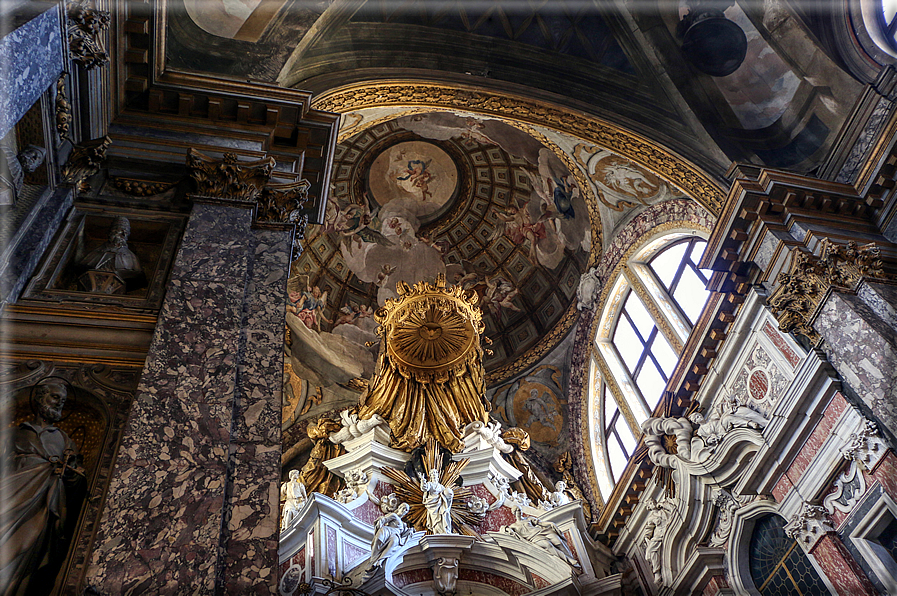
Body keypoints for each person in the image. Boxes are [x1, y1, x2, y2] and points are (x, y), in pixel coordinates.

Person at [0, 381, 85, 596]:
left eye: (63, 401)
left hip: (43, 507)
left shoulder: (65, 440)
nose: (59, 403)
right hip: (9, 498)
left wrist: (69, 474)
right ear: (39, 398)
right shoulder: (13, 434)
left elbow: (76, 483)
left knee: (27, 553)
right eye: (55, 397)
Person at [77, 216, 144, 292]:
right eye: (116, 231)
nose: (120, 235)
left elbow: (135, 274)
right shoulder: (97, 252)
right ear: (110, 233)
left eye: (124, 233)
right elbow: (84, 264)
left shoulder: (131, 257)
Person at [420, 469, 453, 534]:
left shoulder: (441, 487)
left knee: (444, 515)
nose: (434, 474)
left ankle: (445, 531)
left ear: (438, 475)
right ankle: (437, 532)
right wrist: (423, 481)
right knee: (435, 521)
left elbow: (447, 495)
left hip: (440, 504)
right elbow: (425, 488)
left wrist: (449, 496)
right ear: (430, 476)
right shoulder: (430, 484)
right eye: (432, 473)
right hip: (432, 505)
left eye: (435, 473)